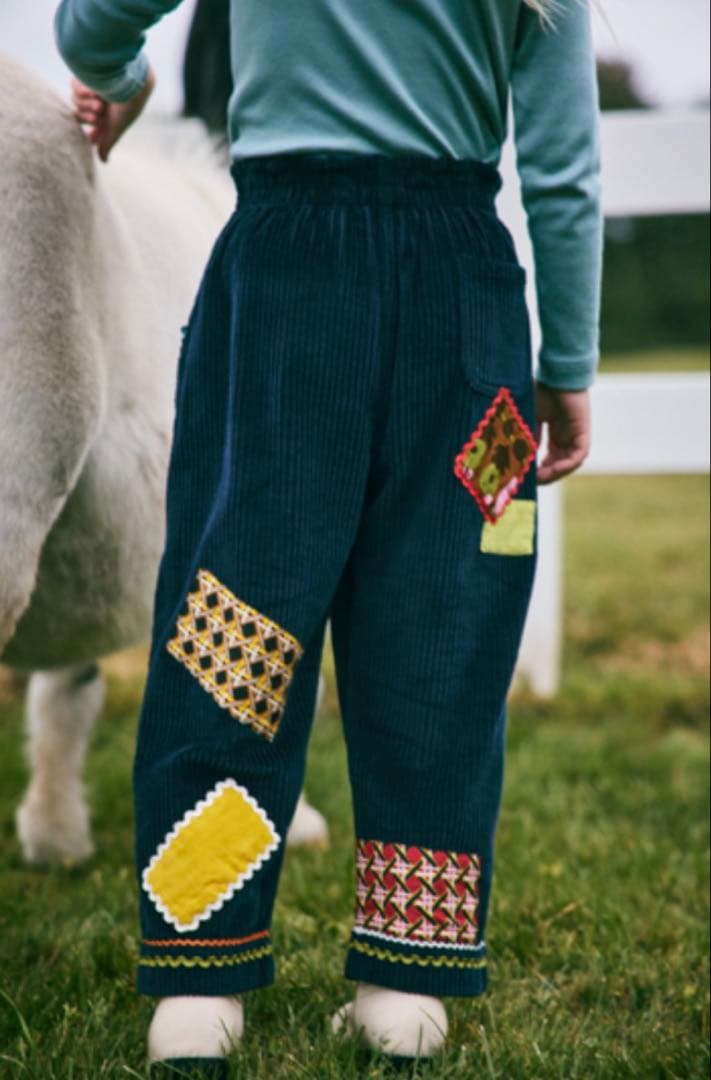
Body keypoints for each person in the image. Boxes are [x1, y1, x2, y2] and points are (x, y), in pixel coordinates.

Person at [53, 0, 603, 1074]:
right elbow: (564, 169)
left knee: (231, 628)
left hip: (281, 290)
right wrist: (569, 367)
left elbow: (93, 24)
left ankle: (201, 980)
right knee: (444, 635)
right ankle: (407, 985)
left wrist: (117, 76)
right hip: (467, 313)